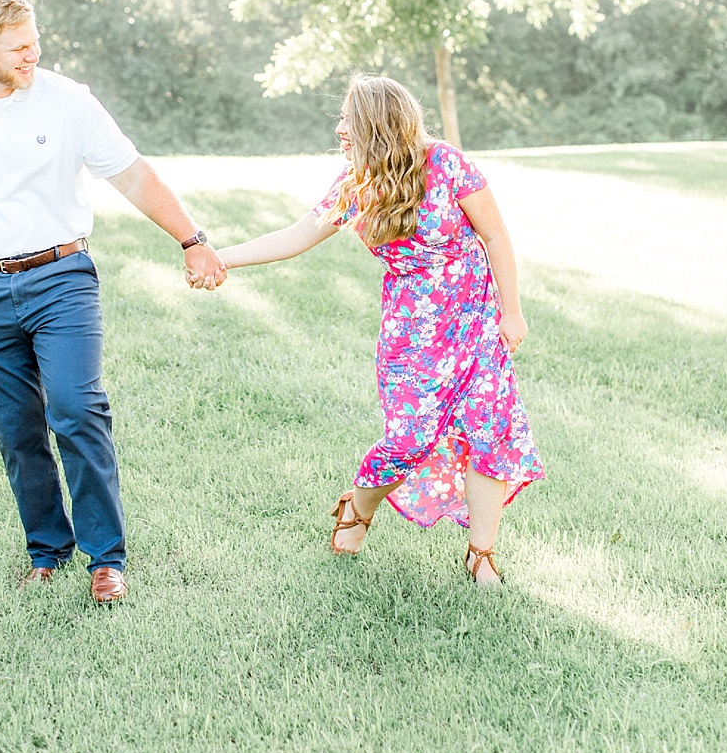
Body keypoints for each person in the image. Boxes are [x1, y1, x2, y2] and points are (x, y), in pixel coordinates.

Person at [0, 0, 229, 604]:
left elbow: (131, 173)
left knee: (77, 410)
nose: (33, 57)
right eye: (19, 49)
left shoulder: (68, 101)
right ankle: (46, 549)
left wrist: (192, 239)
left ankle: (107, 557)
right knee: (16, 428)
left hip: (60, 277)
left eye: (36, 43)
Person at [212, 74, 541, 585]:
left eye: (347, 117)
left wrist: (512, 312)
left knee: (488, 433)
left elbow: (495, 235)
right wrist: (221, 259)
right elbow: (298, 236)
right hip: (411, 332)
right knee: (408, 439)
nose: (340, 127)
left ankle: (481, 555)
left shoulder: (447, 164)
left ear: (376, 123)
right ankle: (359, 506)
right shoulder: (357, 182)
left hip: (475, 320)